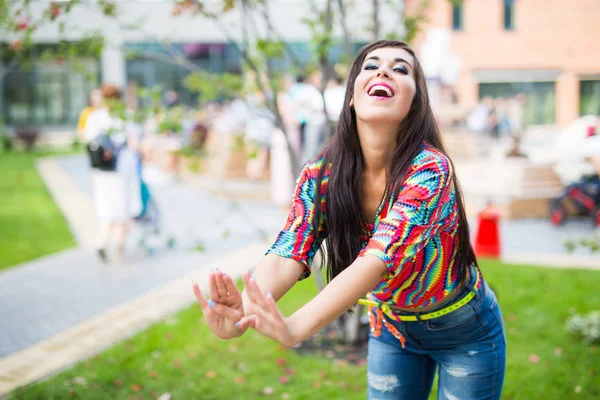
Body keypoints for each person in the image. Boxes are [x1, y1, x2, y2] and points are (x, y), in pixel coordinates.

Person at [192, 40, 506, 400]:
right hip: (392, 329)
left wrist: (296, 327)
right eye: (371, 66)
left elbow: (377, 259)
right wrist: (241, 316)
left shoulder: (430, 171)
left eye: (401, 69)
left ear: (415, 103)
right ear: (353, 96)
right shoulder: (321, 175)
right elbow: (288, 251)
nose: (384, 71)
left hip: (464, 332)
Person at [84, 85, 142, 263]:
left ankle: (104, 242)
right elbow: (134, 143)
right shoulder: (125, 116)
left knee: (106, 206)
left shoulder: (95, 117)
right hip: (121, 168)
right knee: (121, 207)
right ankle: (118, 246)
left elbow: (89, 142)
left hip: (103, 169)